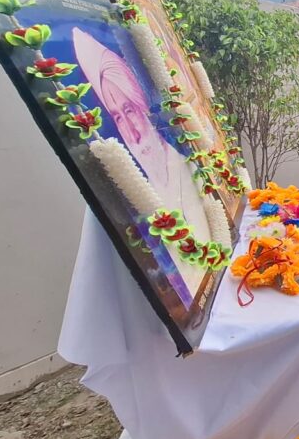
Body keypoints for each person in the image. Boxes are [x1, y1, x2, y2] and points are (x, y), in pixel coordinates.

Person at [73, 28, 212, 298]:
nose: (131, 132)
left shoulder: (188, 169)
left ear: (144, 107)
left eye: (130, 110)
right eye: (118, 117)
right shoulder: (134, 188)